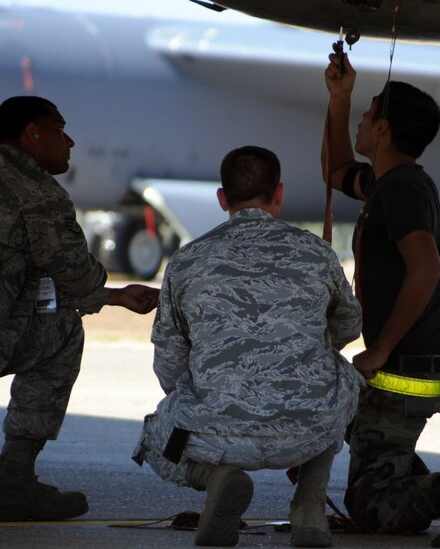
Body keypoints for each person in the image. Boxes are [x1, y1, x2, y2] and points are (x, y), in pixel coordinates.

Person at [322, 49, 440, 533]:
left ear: (383, 130)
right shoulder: (393, 182)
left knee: (369, 508)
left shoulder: (400, 190)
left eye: (367, 116)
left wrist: (381, 348)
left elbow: (425, 269)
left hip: (413, 364)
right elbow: (335, 170)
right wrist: (340, 99)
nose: (363, 124)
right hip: (428, 357)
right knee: (363, 436)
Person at [132, 146, 364, 547]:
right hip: (308, 426)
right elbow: (348, 324)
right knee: (340, 375)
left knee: (154, 437)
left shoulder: (187, 261)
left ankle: (217, 477)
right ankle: (309, 505)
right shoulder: (317, 253)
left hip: (216, 431)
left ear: (222, 199)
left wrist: (211, 391)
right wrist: (303, 356)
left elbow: (168, 365)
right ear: (279, 194)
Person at [0, 95, 159, 522]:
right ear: (33, 133)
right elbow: (76, 274)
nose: (69, 142)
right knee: (62, 333)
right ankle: (13, 481)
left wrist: (114, 297)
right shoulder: (34, 191)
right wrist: (107, 292)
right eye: (59, 129)